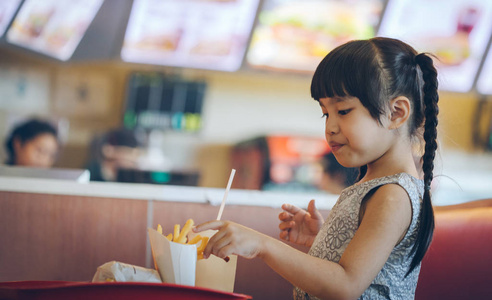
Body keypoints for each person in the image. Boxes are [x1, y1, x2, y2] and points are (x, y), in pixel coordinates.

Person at [194, 37, 438, 299]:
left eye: (343, 111)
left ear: (396, 113)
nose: (330, 127)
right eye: (325, 113)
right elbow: (366, 269)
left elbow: (346, 285)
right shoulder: (381, 186)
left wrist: (262, 244)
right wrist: (324, 241)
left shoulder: (393, 195)